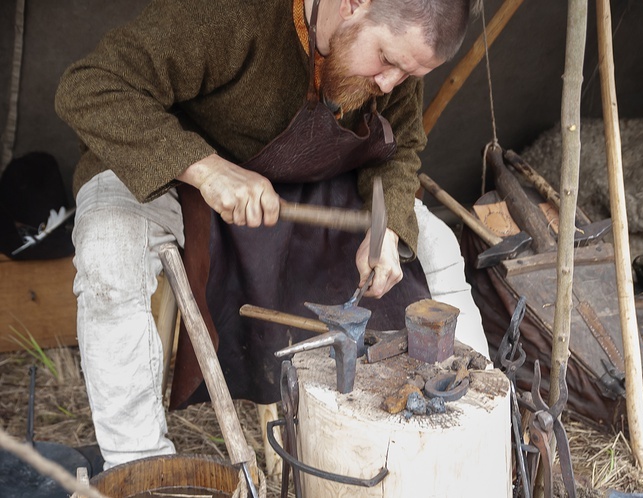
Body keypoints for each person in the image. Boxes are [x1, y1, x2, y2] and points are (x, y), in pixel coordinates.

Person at [55, 0, 483, 470]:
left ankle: (476, 426)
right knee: (107, 252)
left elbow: (399, 149)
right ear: (353, 4)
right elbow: (90, 86)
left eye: (407, 75)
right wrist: (206, 169)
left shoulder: (396, 66)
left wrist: (391, 226)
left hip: (301, 182)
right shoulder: (230, 13)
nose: (388, 84)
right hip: (172, 171)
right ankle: (140, 467)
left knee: (438, 242)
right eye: (387, 60)